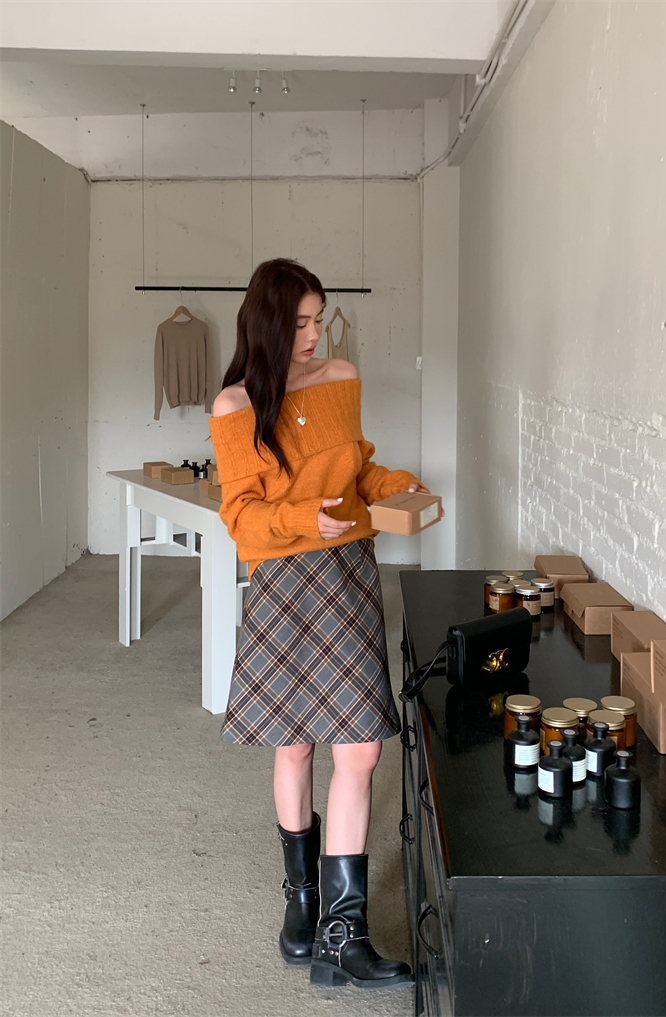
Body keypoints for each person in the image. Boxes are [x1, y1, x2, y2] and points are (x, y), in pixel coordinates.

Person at [209, 258, 438, 990]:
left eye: (319, 319)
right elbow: (241, 517)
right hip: (283, 580)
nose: (314, 334)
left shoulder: (340, 376)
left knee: (361, 748)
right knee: (295, 746)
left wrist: (396, 485)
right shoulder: (235, 405)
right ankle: (302, 906)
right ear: (269, 324)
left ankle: (343, 934)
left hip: (348, 574)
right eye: (301, 322)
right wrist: (306, 517)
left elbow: (357, 469)